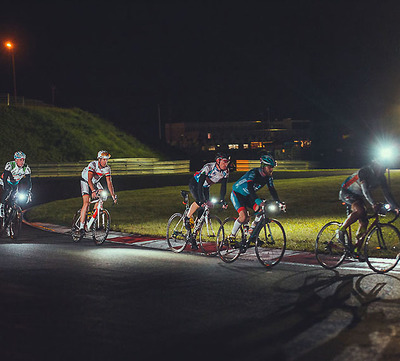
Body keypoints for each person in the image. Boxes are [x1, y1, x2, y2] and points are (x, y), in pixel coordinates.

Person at [337, 159, 399, 259]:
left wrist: (396, 207)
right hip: (347, 191)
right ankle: (340, 230)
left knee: (364, 223)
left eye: (384, 169)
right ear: (376, 166)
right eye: (382, 168)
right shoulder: (364, 172)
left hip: (358, 195)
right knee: (360, 210)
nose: (383, 171)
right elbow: (365, 191)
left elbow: (387, 193)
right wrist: (373, 203)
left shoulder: (381, 177)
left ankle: (356, 250)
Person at [228, 154, 284, 251]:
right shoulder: (253, 173)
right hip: (238, 194)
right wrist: (257, 200)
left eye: (272, 167)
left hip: (248, 195)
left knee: (261, 212)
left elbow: (272, 190)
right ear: (263, 166)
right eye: (269, 167)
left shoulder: (268, 177)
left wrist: (279, 202)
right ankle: (231, 236)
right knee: (243, 217)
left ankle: (252, 235)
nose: (271, 170)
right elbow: (250, 187)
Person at [184, 153, 230, 249]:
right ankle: (187, 217)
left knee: (203, 212)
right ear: (218, 161)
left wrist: (222, 200)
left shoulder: (226, 172)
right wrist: (201, 200)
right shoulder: (209, 167)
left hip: (205, 187)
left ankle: (193, 237)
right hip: (196, 184)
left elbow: (224, 187)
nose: (226, 164)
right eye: (224, 162)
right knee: (200, 202)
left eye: (228, 162)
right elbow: (200, 184)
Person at [76, 150, 117, 237]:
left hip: (95, 182)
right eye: (104, 160)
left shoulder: (107, 169)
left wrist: (113, 196)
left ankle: (93, 216)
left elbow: (109, 183)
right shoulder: (93, 164)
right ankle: (81, 227)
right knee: (86, 202)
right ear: (99, 159)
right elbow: (89, 180)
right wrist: (93, 191)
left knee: (102, 195)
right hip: (85, 181)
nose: (106, 162)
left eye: (107, 160)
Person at [0, 151, 32, 219]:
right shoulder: (10, 165)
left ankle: (9, 214)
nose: (22, 161)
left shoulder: (26, 168)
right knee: (8, 190)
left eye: (23, 159)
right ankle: (1, 206)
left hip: (15, 183)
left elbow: (29, 182)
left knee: (14, 196)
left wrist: (28, 192)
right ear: (16, 160)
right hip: (5, 181)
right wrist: (6, 186)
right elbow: (5, 178)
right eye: (20, 159)